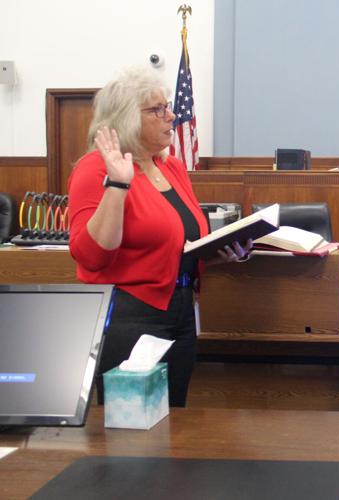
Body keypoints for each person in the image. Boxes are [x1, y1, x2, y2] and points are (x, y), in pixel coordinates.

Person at [68, 66, 252, 407]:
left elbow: (179, 242)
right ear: (127, 118)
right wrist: (118, 185)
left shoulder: (171, 167)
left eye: (168, 106)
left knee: (173, 419)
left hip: (181, 309)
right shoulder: (95, 168)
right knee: (131, 425)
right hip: (130, 314)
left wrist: (214, 253)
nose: (171, 115)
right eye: (158, 109)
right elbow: (91, 255)